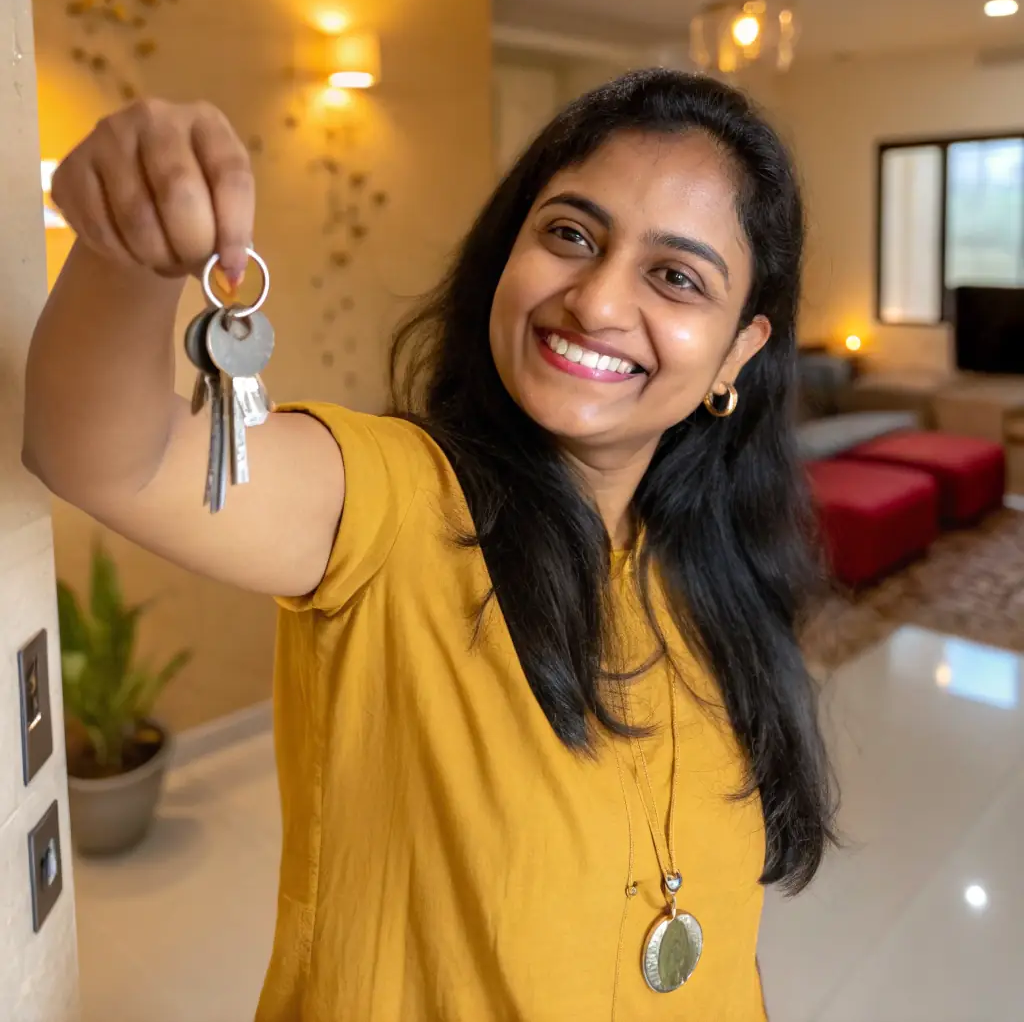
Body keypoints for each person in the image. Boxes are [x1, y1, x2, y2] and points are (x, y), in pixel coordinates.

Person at [24, 69, 835, 1021]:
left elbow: (724, 941)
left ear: (738, 350)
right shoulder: (396, 500)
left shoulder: (714, 576)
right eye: (570, 233)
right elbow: (106, 455)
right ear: (509, 252)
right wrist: (132, 249)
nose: (599, 300)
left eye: (676, 276)